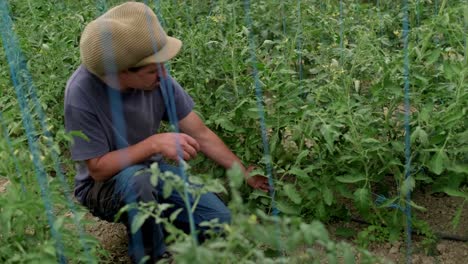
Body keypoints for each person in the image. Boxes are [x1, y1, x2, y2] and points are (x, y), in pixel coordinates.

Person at [64, 2, 269, 263]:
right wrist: (153, 144)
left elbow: (200, 133)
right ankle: (151, 256)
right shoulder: (81, 93)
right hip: (104, 187)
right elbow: (98, 169)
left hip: (153, 175)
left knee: (219, 223)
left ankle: (156, 229)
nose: (164, 74)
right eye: (153, 69)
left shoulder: (158, 79)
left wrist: (244, 173)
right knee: (138, 181)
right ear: (121, 73)